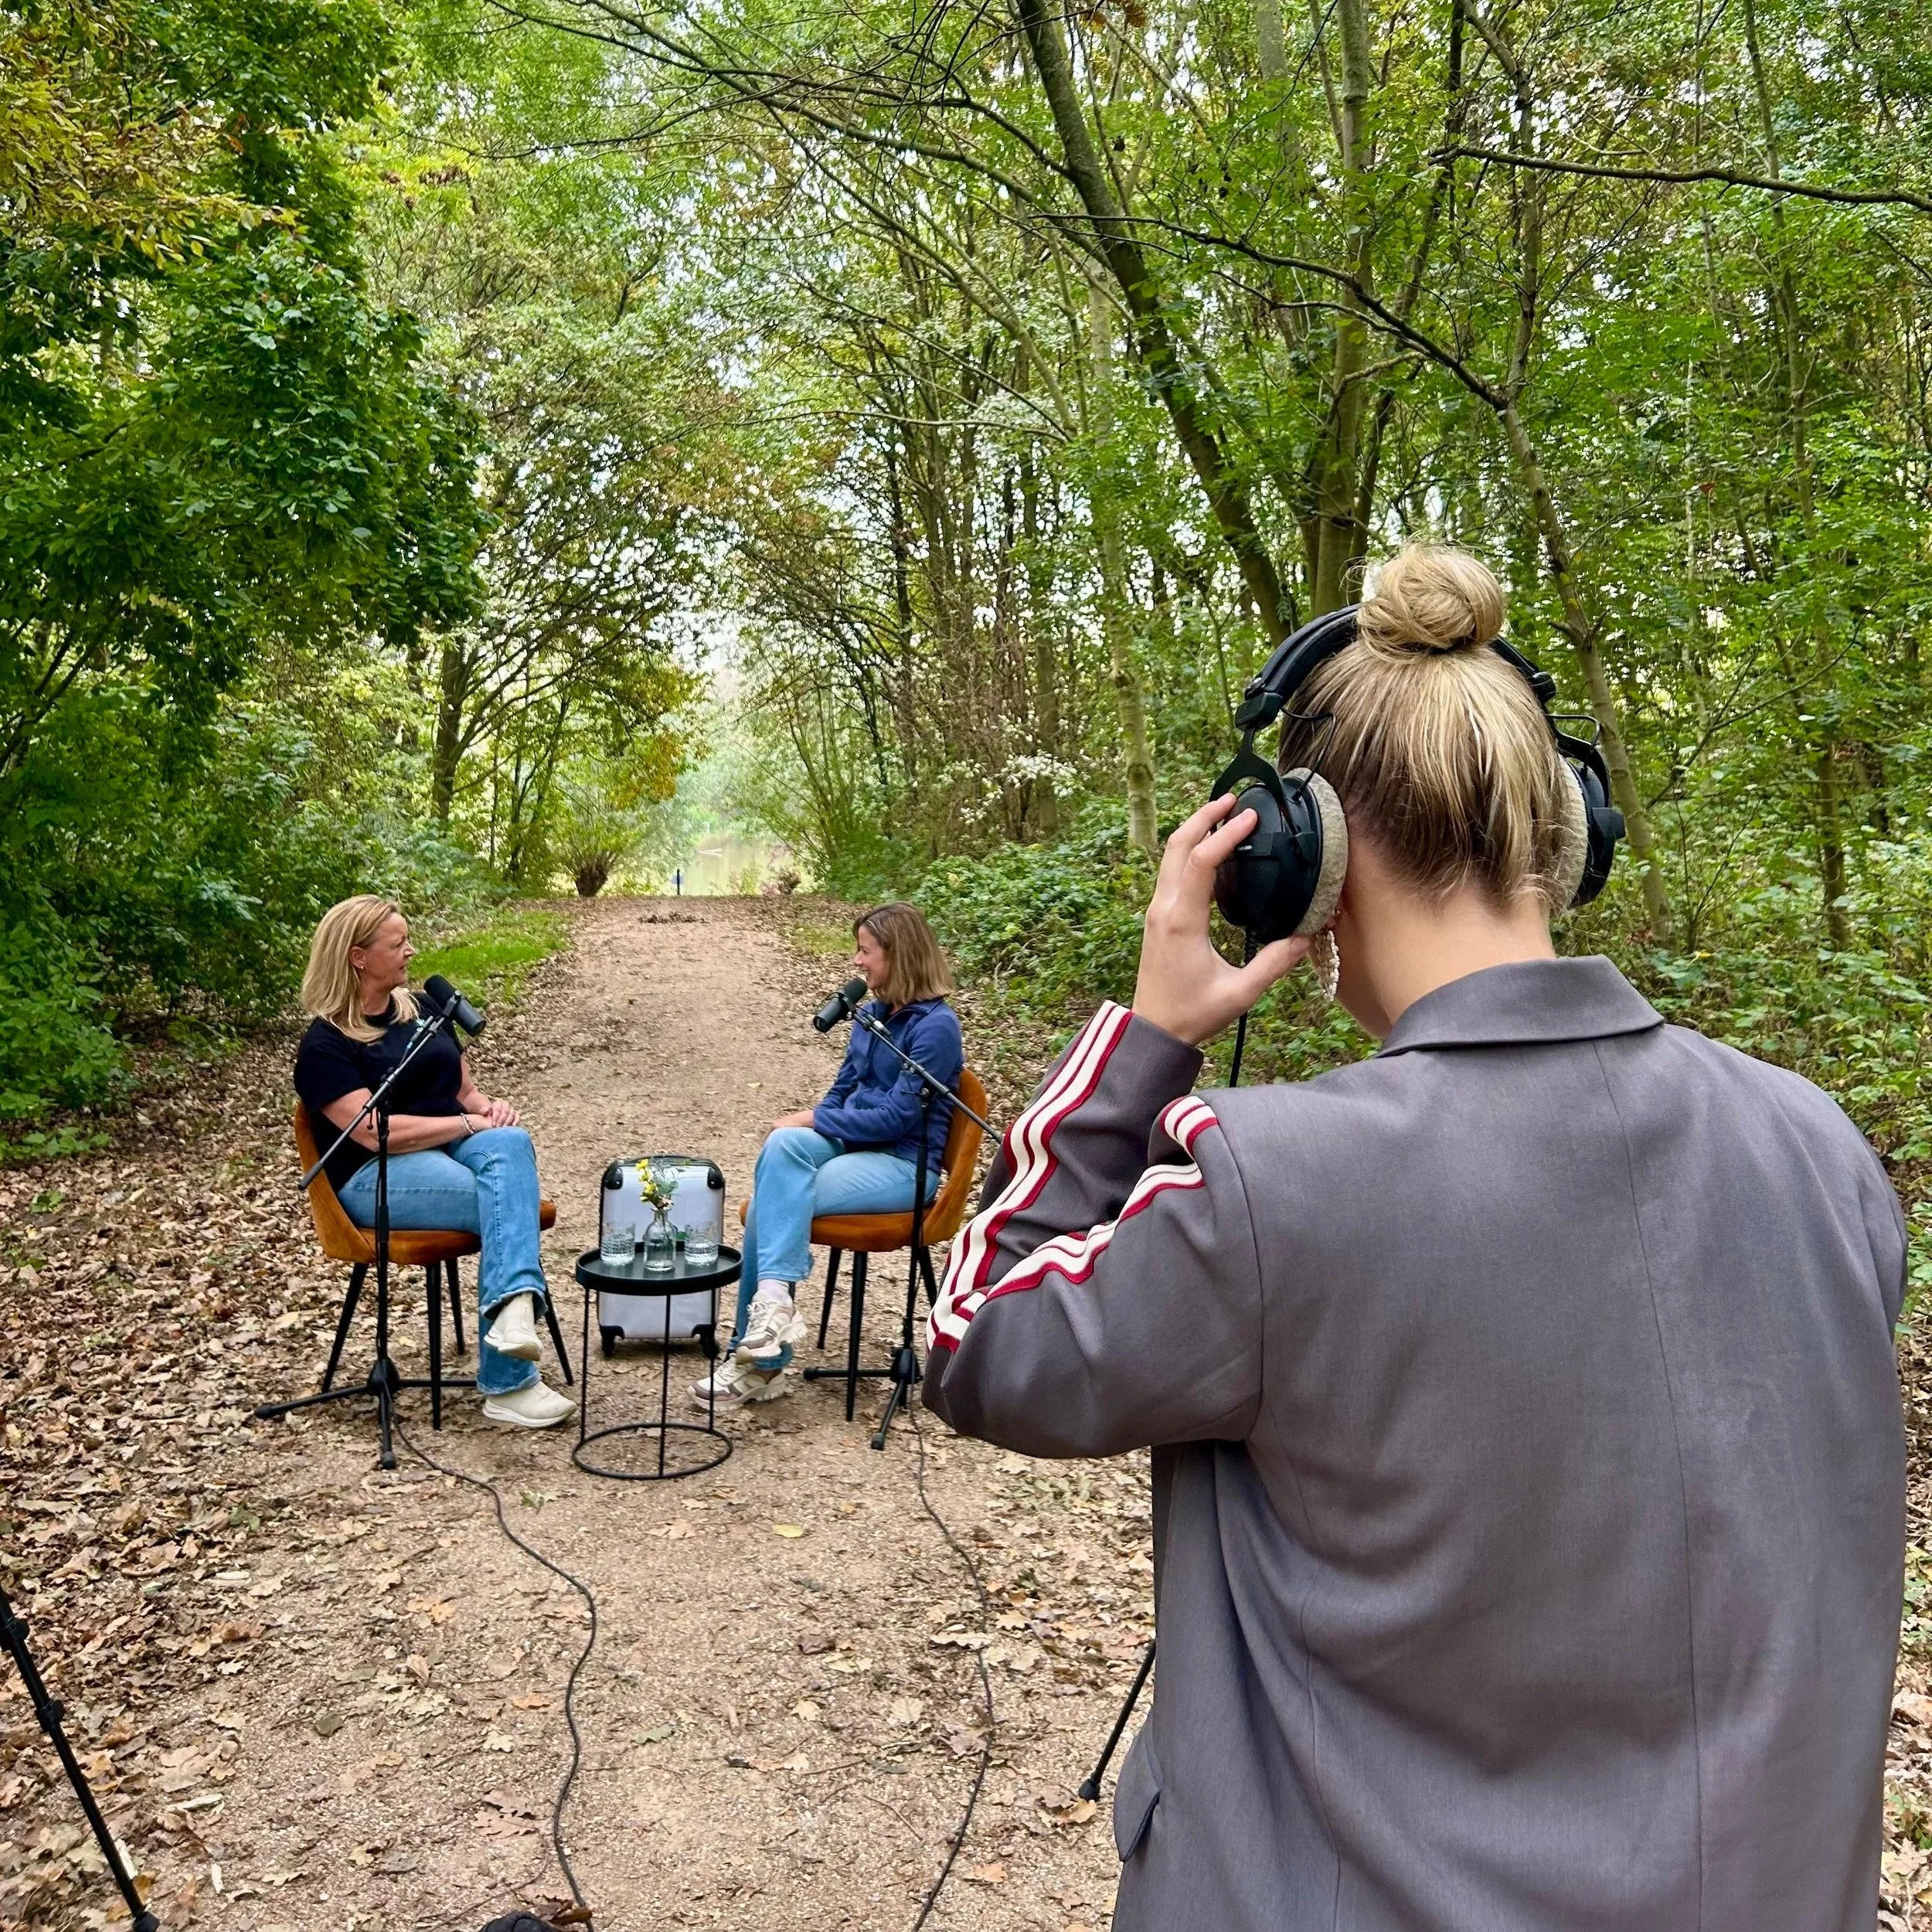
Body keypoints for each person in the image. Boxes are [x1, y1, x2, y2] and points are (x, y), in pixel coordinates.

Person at [924, 547, 1906, 1932]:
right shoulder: (1822, 1152)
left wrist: (1142, 1044)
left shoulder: (1273, 1179)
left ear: (1295, 857)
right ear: (1567, 833)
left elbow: (976, 1342)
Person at [293, 896, 577, 1429]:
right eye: (397, 944)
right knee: (505, 1200)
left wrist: (489, 1111)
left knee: (511, 1145)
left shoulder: (425, 1008)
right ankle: (511, 1373)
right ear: (357, 957)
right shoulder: (325, 1045)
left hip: (448, 1147)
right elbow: (375, 1134)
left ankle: (513, 1321)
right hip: (372, 1179)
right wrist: (466, 1126)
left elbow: (466, 1093)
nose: (411, 950)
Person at [698, 901, 963, 1406]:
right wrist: (817, 1119)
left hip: (905, 1165)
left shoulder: (935, 1028)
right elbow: (842, 1092)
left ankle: (757, 1366)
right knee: (783, 1147)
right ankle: (773, 1309)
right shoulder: (871, 1014)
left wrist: (816, 1119)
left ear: (899, 954)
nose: (857, 962)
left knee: (774, 1201)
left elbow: (895, 1120)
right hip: (854, 1149)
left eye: (866, 951)